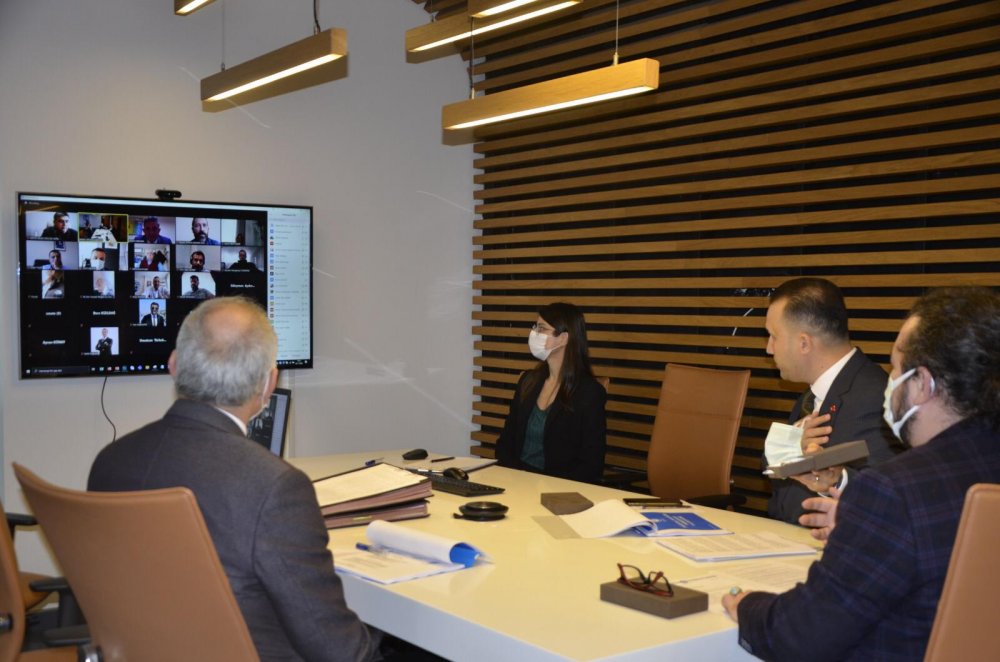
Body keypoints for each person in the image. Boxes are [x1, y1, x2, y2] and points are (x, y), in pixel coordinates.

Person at [88, 297, 379, 661]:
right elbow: (336, 650)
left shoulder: (110, 461)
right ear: (268, 383)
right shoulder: (275, 487)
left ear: (174, 365)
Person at [724, 286, 1000, 661]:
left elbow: (800, 635)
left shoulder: (893, 491)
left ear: (923, 384)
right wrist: (860, 526)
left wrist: (745, 604)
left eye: (896, 369)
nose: (888, 381)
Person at [764, 278, 897, 524]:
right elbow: (775, 473)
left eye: (773, 336)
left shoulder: (874, 397)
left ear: (804, 343)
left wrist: (833, 479)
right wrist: (793, 446)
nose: (769, 349)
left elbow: (886, 495)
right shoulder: (814, 394)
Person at [495, 302, 607, 483]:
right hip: (517, 483)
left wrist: (545, 486)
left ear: (563, 338)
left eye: (542, 329)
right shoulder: (528, 381)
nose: (534, 333)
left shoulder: (589, 392)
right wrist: (516, 480)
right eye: (535, 327)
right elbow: (504, 445)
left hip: (559, 489)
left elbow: (591, 464)